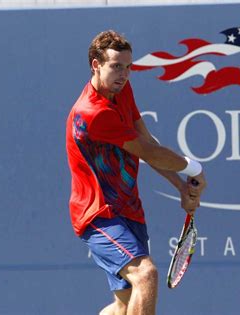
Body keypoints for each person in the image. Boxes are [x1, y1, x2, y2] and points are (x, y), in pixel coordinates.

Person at [65, 30, 207, 315]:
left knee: (123, 306)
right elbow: (150, 154)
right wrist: (196, 169)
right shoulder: (93, 113)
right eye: (116, 66)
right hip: (98, 213)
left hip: (127, 209)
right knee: (146, 274)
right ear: (96, 65)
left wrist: (181, 186)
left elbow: (147, 143)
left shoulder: (121, 89)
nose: (124, 74)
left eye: (128, 67)